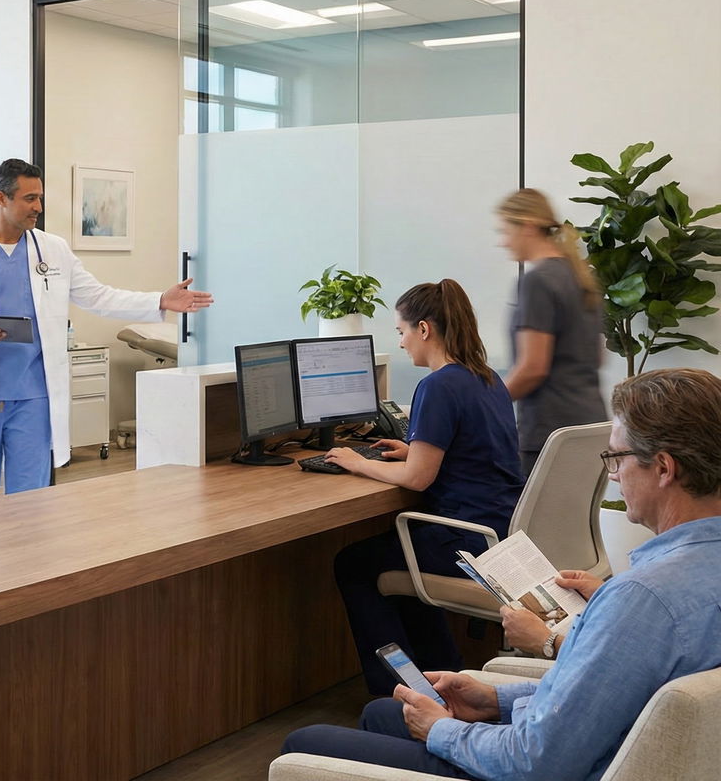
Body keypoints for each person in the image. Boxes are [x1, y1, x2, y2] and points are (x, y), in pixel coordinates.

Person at [281, 368, 721, 780]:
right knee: (384, 713)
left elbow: (536, 761)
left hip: (540, 768)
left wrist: (440, 730)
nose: (614, 476)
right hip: (597, 749)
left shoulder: (643, 600)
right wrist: (493, 700)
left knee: (303, 742)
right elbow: (606, 697)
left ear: (664, 468)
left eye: (618, 458)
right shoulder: (677, 583)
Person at [0, 158, 213, 501]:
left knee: (31, 500)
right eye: (30, 199)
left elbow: (99, 296)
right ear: (1, 198)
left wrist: (159, 300)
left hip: (34, 395)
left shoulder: (53, 249)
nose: (38, 208)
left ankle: (30, 557)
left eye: (40, 198)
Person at [323, 279, 523, 695]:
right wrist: (414, 447)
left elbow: (418, 479)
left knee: (354, 564)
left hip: (462, 541)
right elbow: (471, 449)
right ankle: (441, 672)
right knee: (398, 554)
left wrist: (359, 463)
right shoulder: (486, 378)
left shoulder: (437, 385)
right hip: (496, 531)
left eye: (401, 332)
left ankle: (398, 693)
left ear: (425, 329)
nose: (401, 344)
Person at [497, 189, 606, 475]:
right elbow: (597, 355)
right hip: (590, 423)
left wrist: (488, 402)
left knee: (533, 521)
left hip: (551, 431)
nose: (503, 242)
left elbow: (533, 368)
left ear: (528, 227)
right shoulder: (579, 276)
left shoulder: (537, 281)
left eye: (506, 230)